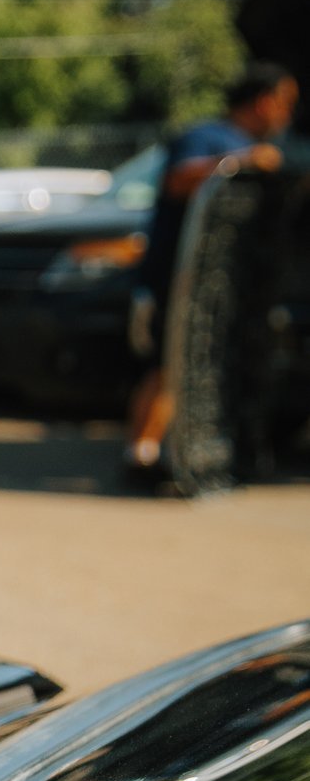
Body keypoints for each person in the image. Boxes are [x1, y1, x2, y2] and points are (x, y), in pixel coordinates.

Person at [124, 60, 298, 486]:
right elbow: (179, 181)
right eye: (286, 103)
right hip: (178, 280)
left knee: (202, 367)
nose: (288, 114)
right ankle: (141, 455)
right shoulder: (208, 138)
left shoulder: (254, 147)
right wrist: (240, 161)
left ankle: (187, 455)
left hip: (225, 288)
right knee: (169, 363)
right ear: (263, 101)